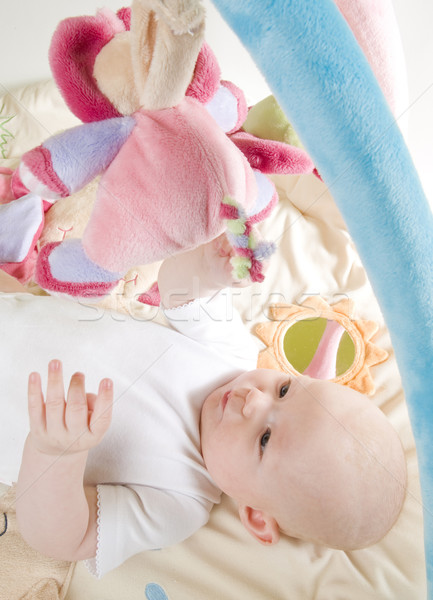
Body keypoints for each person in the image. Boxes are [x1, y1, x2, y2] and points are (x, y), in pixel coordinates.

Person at [0, 234, 406, 579]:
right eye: (284, 390)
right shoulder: (232, 357)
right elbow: (179, 292)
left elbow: (62, 537)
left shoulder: (179, 502)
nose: (254, 399)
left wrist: (55, 454)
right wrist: (210, 270)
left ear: (256, 515)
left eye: (265, 439)